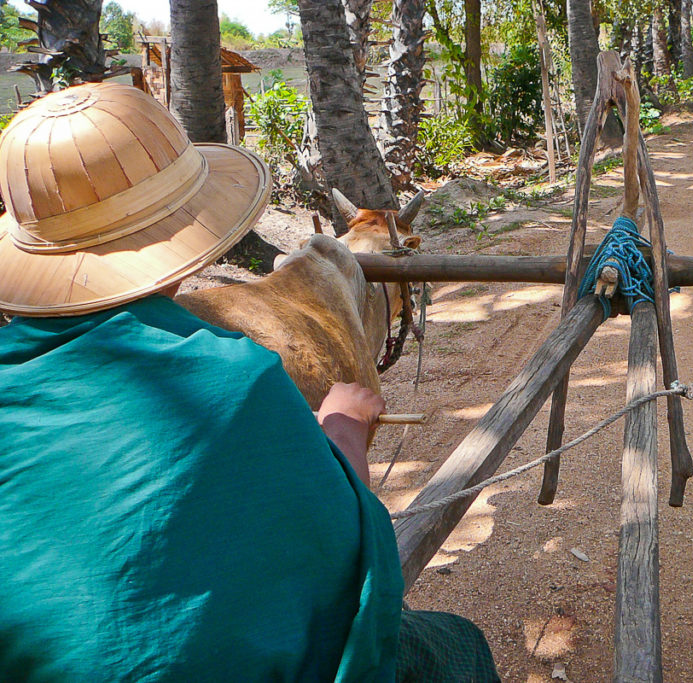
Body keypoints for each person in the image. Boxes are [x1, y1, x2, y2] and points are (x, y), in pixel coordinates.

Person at [0, 83, 500, 682]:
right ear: (186, 228)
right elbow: (341, 560)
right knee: (459, 646)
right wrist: (340, 433)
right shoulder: (233, 380)